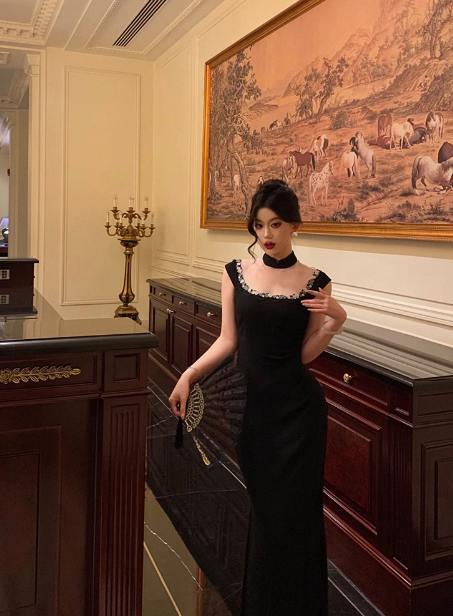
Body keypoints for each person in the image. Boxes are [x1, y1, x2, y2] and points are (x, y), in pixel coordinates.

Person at [169, 179, 347, 615]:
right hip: (252, 412)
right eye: (259, 224)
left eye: (277, 224)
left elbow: (303, 354)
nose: (266, 234)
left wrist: (336, 321)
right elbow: (228, 340)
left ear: (295, 226)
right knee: (268, 515)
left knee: (296, 515)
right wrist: (188, 375)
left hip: (299, 415)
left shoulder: (316, 282)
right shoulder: (236, 273)